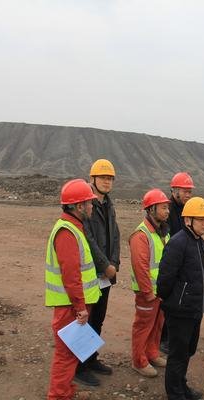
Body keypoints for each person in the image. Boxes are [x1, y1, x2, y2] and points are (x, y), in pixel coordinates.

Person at [45, 179, 101, 400]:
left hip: (72, 304)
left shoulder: (74, 227)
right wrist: (80, 307)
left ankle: (66, 390)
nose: (91, 206)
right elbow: (71, 276)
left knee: (71, 352)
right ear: (79, 206)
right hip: (69, 306)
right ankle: (58, 395)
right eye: (89, 203)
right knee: (66, 354)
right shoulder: (67, 232)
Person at [157, 197, 204, 400]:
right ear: (188, 220)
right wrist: (174, 301)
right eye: (201, 219)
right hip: (180, 311)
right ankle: (175, 393)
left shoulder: (198, 241)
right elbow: (165, 279)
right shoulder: (178, 243)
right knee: (178, 354)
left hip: (193, 309)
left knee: (187, 351)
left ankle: (181, 385)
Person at [75, 159, 120, 386]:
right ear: (92, 179)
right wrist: (105, 266)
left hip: (106, 273)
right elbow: (88, 238)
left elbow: (115, 236)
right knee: (87, 319)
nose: (107, 181)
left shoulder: (109, 204)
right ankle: (79, 367)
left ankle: (91, 359)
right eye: (103, 177)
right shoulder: (86, 204)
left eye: (110, 178)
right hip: (92, 273)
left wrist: (114, 264)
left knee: (99, 319)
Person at [129, 189, 170, 378]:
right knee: (143, 326)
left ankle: (152, 353)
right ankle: (139, 361)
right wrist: (147, 292)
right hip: (148, 293)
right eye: (163, 208)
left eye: (167, 207)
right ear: (151, 209)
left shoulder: (163, 232)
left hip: (160, 291)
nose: (167, 211)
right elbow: (141, 267)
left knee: (157, 325)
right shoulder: (141, 235)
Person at [161, 172, 195, 355]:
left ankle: (171, 336)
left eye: (190, 191)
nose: (188, 194)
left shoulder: (187, 210)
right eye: (185, 191)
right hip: (171, 261)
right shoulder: (167, 210)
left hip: (183, 261)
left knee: (178, 301)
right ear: (174, 190)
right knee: (168, 302)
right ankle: (164, 338)